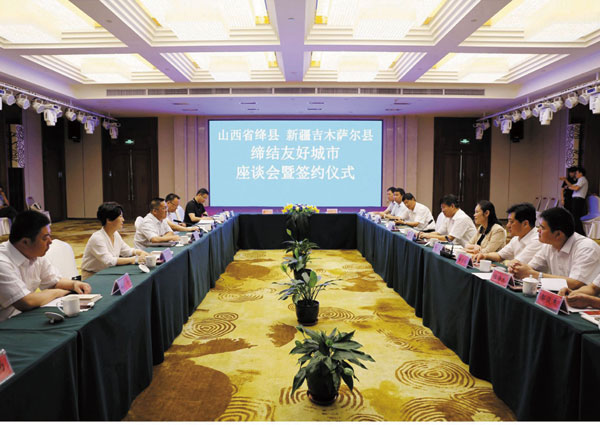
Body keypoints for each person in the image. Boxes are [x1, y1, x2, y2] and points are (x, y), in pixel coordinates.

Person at [0, 210, 92, 322]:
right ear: (25, 242)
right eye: (45, 238)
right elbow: (26, 302)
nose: (50, 242)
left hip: (25, 317)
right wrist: (57, 292)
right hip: (5, 323)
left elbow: (53, 281)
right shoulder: (2, 262)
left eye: (50, 236)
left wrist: (74, 284)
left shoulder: (34, 254)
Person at [509, 207, 600, 290]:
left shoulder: (586, 248)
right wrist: (518, 269)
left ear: (558, 234)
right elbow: (532, 267)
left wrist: (534, 274)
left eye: (542, 228)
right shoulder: (549, 245)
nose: (538, 230)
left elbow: (575, 283)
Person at [81, 202, 147, 278]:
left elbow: (126, 251)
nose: (123, 220)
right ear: (109, 220)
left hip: (108, 272)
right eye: (120, 216)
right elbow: (109, 261)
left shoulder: (115, 234)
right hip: (93, 275)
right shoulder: (97, 238)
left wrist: (140, 252)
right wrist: (133, 259)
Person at [474, 203, 542, 265]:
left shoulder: (537, 240)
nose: (507, 225)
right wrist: (485, 256)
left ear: (525, 224)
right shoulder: (516, 238)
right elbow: (499, 256)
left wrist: (507, 262)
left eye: (511, 222)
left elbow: (516, 264)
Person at [567, 166, 588, 236]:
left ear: (580, 173)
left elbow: (576, 188)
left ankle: (580, 233)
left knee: (576, 217)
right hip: (577, 200)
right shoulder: (580, 180)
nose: (575, 174)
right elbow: (572, 185)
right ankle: (578, 233)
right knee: (575, 216)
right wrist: (566, 182)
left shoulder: (582, 179)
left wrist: (569, 187)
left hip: (578, 200)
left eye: (576, 173)